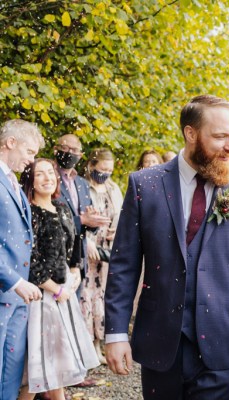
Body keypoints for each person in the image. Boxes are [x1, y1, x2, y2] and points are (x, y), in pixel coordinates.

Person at [104, 94, 229, 399]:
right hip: (160, 341)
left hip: (223, 342)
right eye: (220, 136)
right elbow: (124, 265)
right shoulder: (144, 185)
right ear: (191, 133)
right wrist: (117, 333)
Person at [18, 159, 99, 400]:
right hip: (41, 297)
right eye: (39, 174)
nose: (47, 178)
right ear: (30, 180)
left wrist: (74, 274)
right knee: (38, 369)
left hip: (64, 293)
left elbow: (73, 249)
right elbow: (29, 261)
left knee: (57, 368)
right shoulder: (30, 213)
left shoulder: (62, 208)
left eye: (50, 173)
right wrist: (55, 290)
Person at [0, 119, 44, 399]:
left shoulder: (12, 182)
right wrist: (14, 279)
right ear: (10, 142)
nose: (31, 161)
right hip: (6, 287)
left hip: (17, 296)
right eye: (29, 152)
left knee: (10, 373)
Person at [81, 148, 124, 365]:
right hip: (87, 248)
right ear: (91, 166)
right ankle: (88, 347)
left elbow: (122, 214)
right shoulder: (82, 186)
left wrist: (117, 231)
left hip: (107, 249)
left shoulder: (113, 188)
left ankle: (101, 344)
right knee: (87, 297)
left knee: (105, 296)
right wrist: (85, 240)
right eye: (102, 169)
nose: (105, 173)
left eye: (109, 170)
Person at [54, 134, 111, 293]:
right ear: (55, 150)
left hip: (79, 259)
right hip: (56, 258)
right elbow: (48, 220)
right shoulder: (49, 178)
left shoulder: (82, 184)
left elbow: (88, 222)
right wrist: (82, 220)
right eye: (65, 148)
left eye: (74, 150)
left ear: (80, 155)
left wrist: (95, 223)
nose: (69, 152)